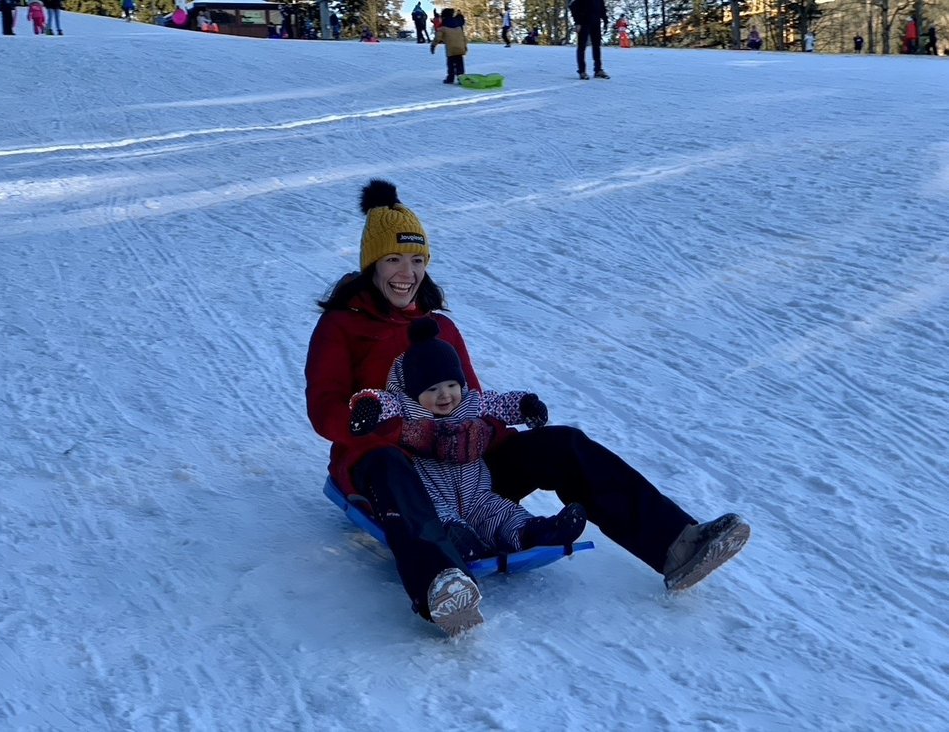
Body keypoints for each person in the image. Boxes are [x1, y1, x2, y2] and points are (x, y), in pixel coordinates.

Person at [304, 179, 751, 635]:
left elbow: (470, 401)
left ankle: (679, 546)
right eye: (394, 259)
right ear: (371, 265)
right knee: (387, 467)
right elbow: (325, 412)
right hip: (389, 466)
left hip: (463, 469)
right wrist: (392, 430)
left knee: (563, 445)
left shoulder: (440, 328)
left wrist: (507, 435)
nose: (407, 272)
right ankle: (441, 583)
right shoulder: (342, 328)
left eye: (417, 260)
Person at [349, 317, 588, 580]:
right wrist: (368, 407)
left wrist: (527, 406)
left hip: (477, 494)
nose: (445, 395)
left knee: (501, 512)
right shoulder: (407, 410)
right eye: (433, 389)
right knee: (441, 521)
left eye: (452, 385)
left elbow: (500, 403)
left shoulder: (471, 404)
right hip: (433, 497)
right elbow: (383, 401)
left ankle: (536, 532)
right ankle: (460, 545)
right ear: (413, 393)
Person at [569, 0, 609, 79]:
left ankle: (598, 70)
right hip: (583, 23)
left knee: (597, 46)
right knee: (582, 47)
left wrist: (605, 21)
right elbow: (573, 6)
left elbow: (602, 8)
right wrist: (577, 22)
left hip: (596, 22)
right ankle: (582, 71)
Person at [430, 8, 467, 85]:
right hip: (460, 47)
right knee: (459, 63)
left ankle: (450, 78)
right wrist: (465, 47)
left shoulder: (443, 26)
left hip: (451, 48)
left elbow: (437, 37)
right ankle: (461, 78)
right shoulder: (458, 24)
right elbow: (463, 37)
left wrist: (433, 45)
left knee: (451, 63)